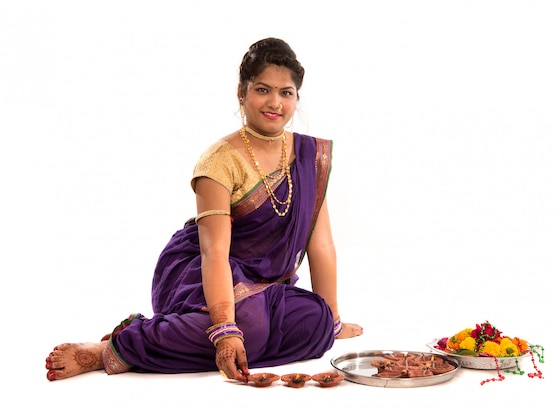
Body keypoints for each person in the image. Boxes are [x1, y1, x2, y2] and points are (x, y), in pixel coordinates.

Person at [45, 37, 363, 383]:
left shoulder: (307, 157)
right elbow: (215, 252)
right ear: (242, 93)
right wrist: (226, 329)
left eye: (286, 93)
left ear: (296, 97)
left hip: (264, 284)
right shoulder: (219, 160)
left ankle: (183, 335)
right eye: (262, 90)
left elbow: (322, 244)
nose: (275, 103)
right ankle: (122, 345)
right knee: (249, 328)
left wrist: (332, 320)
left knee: (315, 323)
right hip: (200, 270)